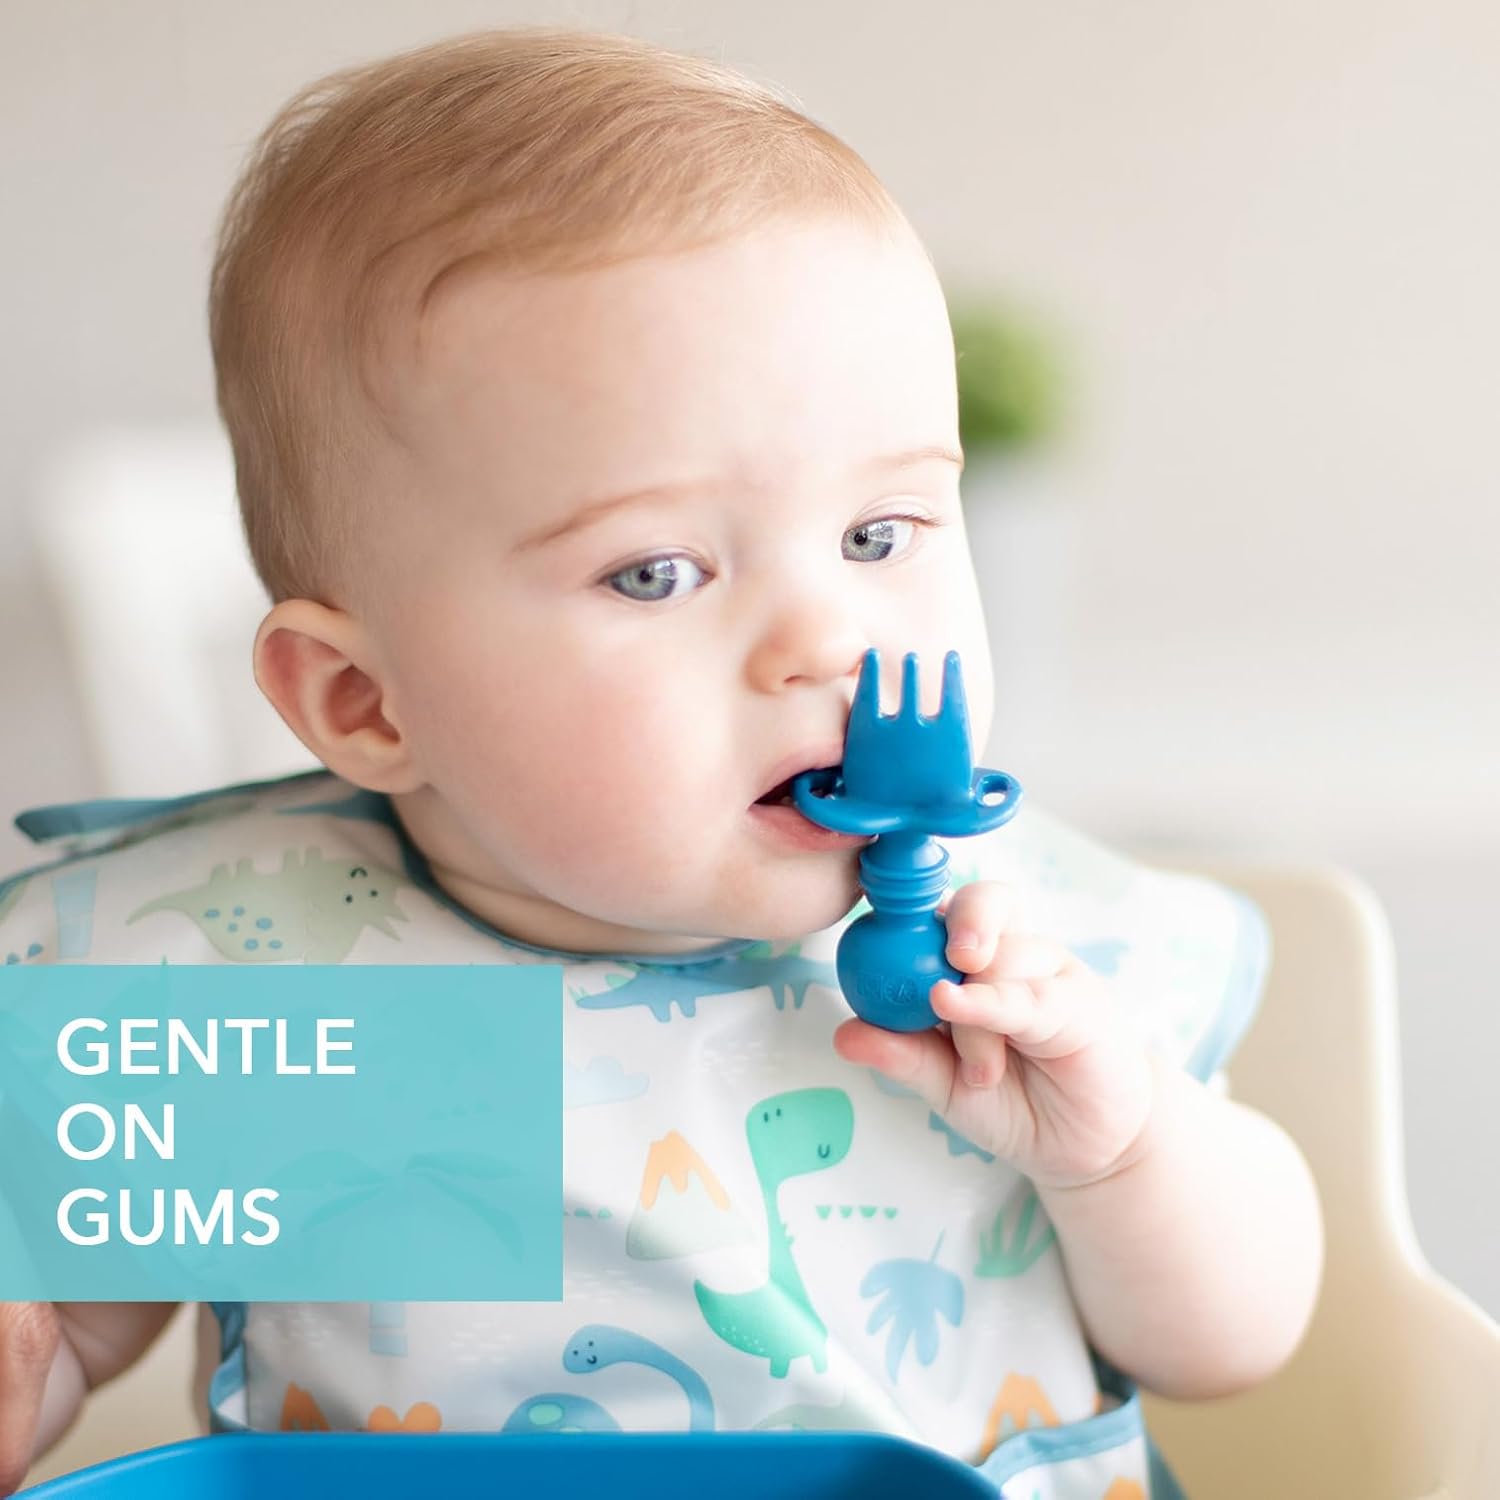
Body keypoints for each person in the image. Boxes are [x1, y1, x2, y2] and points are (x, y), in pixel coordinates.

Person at [0, 28, 1321, 1497]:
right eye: (657, 573)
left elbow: (1236, 1346)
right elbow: (64, 1342)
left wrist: (1119, 1153)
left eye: (878, 534)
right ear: (367, 700)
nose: (826, 640)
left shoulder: (1013, 964)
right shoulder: (275, 996)